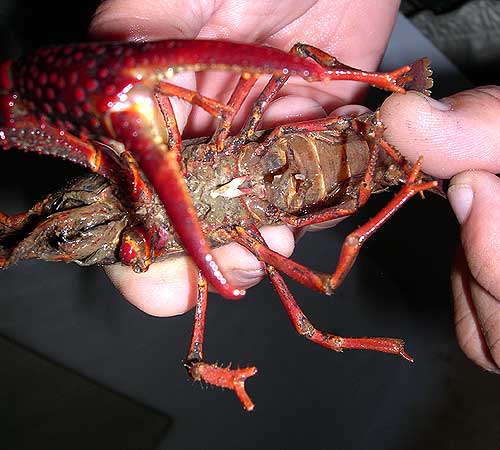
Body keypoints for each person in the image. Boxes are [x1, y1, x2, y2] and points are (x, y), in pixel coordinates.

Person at [90, 0, 500, 373]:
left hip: (311, 137)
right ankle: (406, 170)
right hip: (338, 177)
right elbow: (317, 314)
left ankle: (386, 81)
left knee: (293, 59)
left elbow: (163, 89)